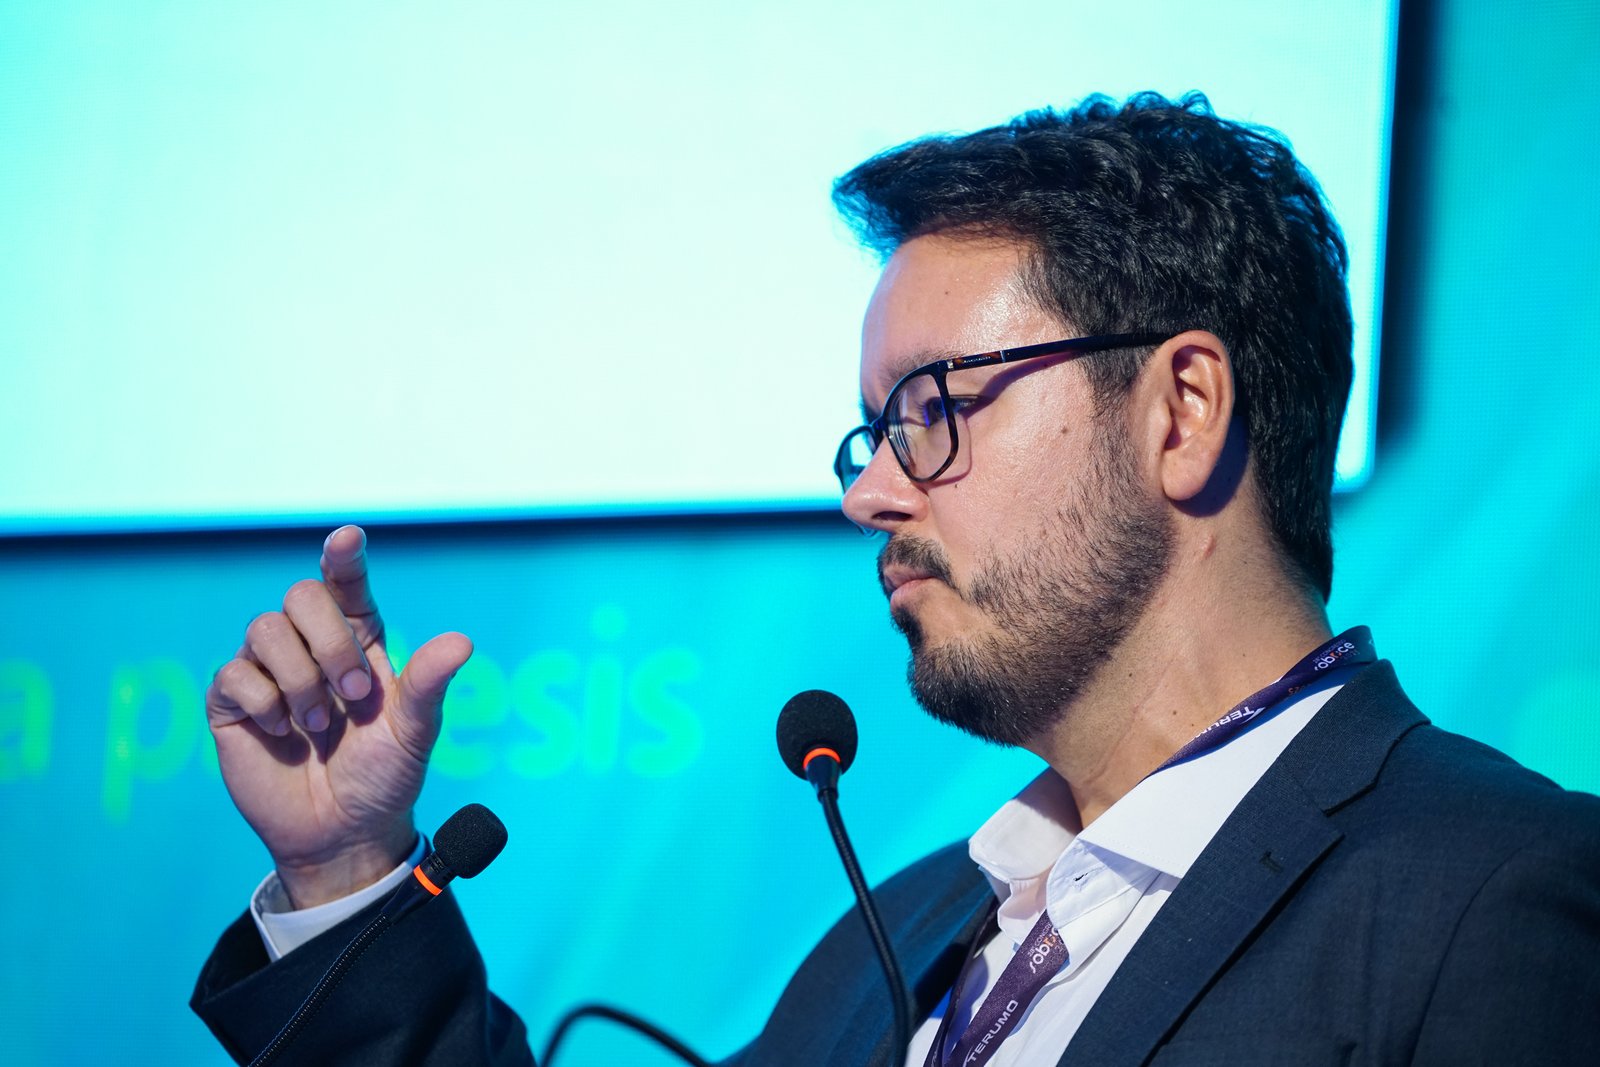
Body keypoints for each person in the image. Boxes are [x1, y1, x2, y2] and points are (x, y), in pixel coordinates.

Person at [192, 93, 1600, 1065]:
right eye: (874, 430)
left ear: (1181, 411)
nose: (869, 492)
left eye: (933, 407)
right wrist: (346, 871)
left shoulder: (1495, 897)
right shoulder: (907, 933)